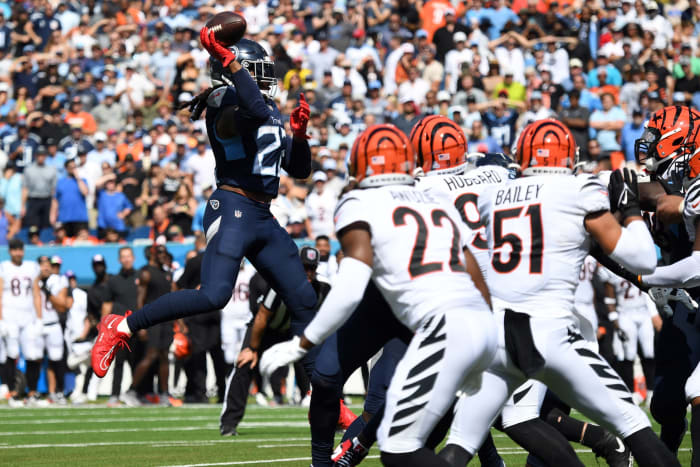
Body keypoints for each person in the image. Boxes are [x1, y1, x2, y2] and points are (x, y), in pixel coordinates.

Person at [437, 119, 677, 467]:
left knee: (459, 446)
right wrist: (630, 212)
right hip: (549, 332)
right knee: (635, 426)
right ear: (569, 157)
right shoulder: (579, 190)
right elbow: (642, 259)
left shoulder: (492, 196)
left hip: (498, 337)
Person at [259, 124, 497, 466]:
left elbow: (352, 285)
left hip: (414, 308)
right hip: (407, 303)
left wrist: (300, 344)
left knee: (388, 421)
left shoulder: (368, 199)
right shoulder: (435, 192)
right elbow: (469, 261)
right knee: (340, 384)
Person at [92, 32, 317, 381]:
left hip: (261, 214)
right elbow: (253, 108)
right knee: (214, 294)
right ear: (232, 69)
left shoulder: (266, 109)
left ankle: (326, 397)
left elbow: (300, 170)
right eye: (253, 69)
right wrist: (229, 61)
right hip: (232, 207)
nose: (264, 76)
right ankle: (121, 326)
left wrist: (300, 136)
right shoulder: (225, 103)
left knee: (304, 299)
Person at [220, 247, 332, 436]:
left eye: (312, 268)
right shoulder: (279, 284)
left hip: (293, 331)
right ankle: (229, 422)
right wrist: (252, 348)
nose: (309, 273)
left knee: (324, 370)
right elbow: (262, 317)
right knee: (245, 363)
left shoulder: (322, 289)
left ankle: (333, 418)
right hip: (262, 330)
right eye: (304, 268)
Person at [120, 245, 174, 406]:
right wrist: (141, 324)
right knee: (150, 356)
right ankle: (131, 390)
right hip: (152, 320)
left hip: (166, 320)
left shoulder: (165, 273)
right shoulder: (146, 272)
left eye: (164, 252)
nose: (163, 255)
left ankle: (164, 393)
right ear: (152, 254)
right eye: (160, 252)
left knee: (164, 357)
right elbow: (140, 300)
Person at [0, 239, 41, 406]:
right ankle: (13, 392)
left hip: (28, 316)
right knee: (11, 353)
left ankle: (32, 392)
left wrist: (39, 318)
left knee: (32, 354)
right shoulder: (4, 266)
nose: (18, 253)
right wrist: (1, 319)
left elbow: (36, 294)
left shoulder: (31, 266)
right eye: (15, 250)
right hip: (10, 315)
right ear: (10, 251)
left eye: (20, 250)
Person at [36, 255, 69, 405]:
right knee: (35, 358)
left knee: (57, 360)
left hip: (53, 322)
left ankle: (59, 391)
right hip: (36, 323)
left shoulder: (59, 280)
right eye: (43, 264)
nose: (47, 268)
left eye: (49, 265)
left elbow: (62, 306)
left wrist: (47, 293)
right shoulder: (32, 280)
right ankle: (38, 392)